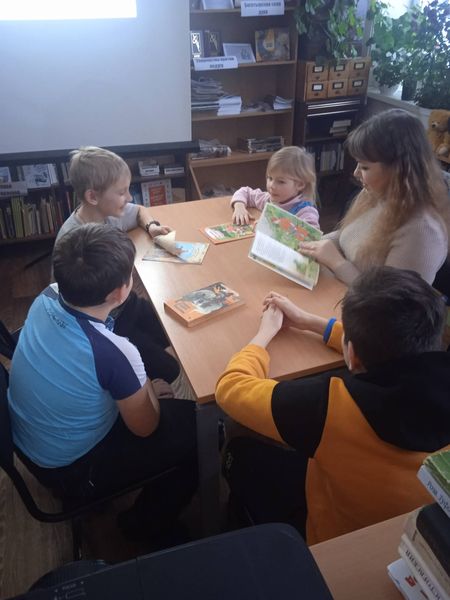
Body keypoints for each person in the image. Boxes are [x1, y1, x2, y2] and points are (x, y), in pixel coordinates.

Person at [215, 266, 450, 545]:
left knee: (240, 449)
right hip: (414, 543)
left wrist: (264, 334)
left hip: (333, 544)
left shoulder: (329, 407)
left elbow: (230, 389)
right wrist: (310, 322)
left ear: (352, 354)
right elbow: (394, 355)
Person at [8, 224, 198, 541]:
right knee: (200, 428)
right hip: (71, 470)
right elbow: (146, 427)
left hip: (30, 444)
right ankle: (145, 524)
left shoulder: (47, 296)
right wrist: (149, 389)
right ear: (119, 292)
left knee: (129, 331)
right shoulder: (116, 354)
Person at [56, 146, 181, 388]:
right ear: (93, 197)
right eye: (122, 192)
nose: (130, 198)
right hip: (103, 321)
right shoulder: (74, 245)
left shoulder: (107, 211)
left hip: (122, 303)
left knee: (172, 330)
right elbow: (74, 305)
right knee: (168, 367)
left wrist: (152, 226)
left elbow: (140, 211)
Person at [298, 109, 450, 285]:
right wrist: (311, 243)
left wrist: (337, 262)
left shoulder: (422, 233)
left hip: (365, 301)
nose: (356, 173)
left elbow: (389, 299)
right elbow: (348, 236)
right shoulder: (376, 194)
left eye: (365, 167)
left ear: (398, 170)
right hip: (338, 291)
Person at [231, 146, 320, 229]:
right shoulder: (268, 199)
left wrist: (275, 226)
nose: (272, 185)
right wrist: (239, 207)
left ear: (300, 185)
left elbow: (311, 236)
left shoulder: (306, 212)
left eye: (281, 181)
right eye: (270, 178)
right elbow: (245, 192)